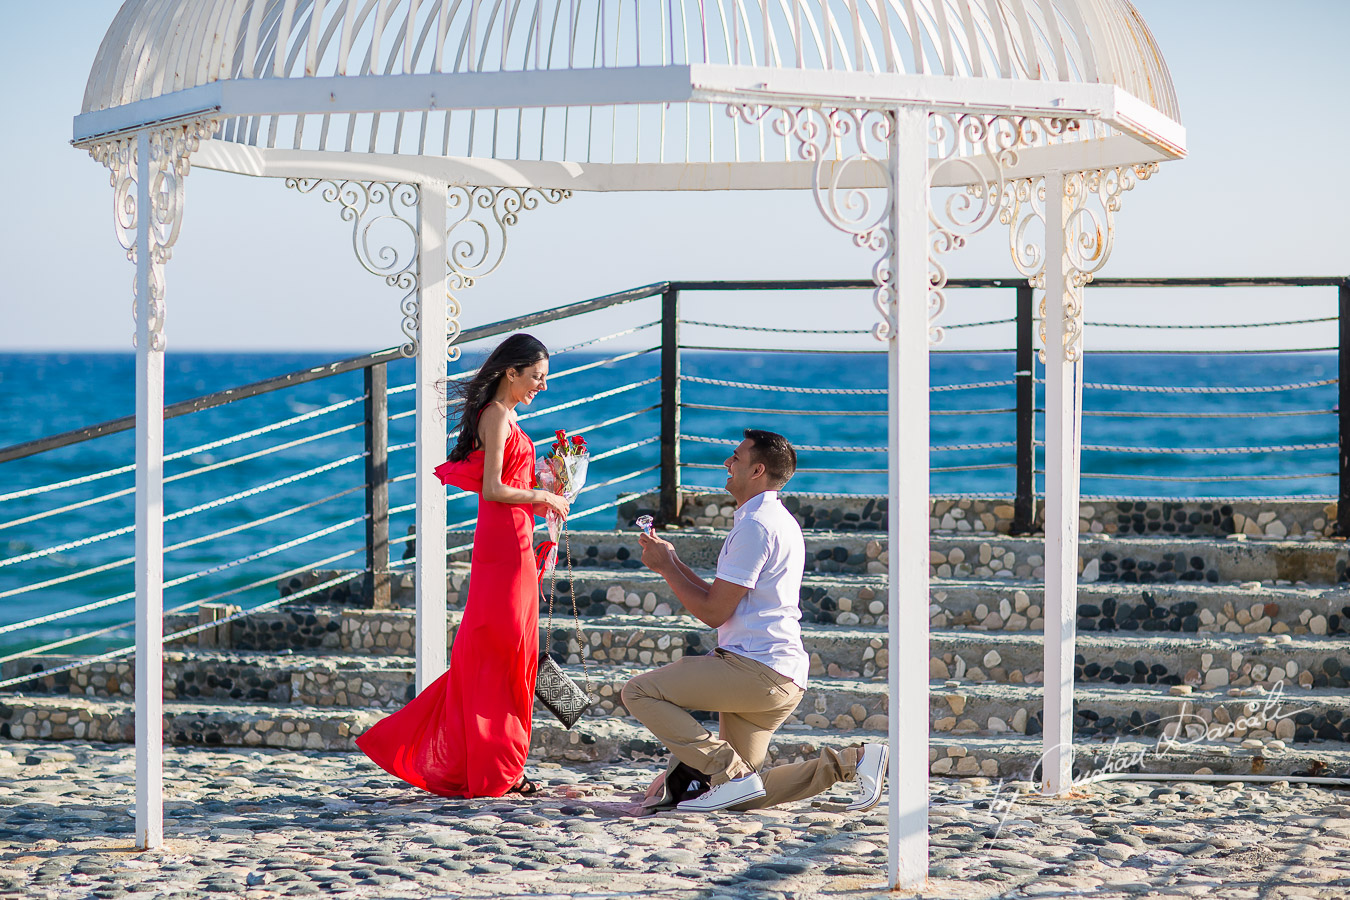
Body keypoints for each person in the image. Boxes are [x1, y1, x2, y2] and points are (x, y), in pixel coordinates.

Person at [624, 429, 887, 813]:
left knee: (638, 692)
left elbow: (713, 613)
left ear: (758, 469)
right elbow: (721, 598)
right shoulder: (772, 519)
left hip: (756, 670)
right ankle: (853, 762)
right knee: (746, 797)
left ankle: (728, 772)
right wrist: (673, 561)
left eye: (736, 458)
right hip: (779, 675)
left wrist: (666, 569)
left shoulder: (756, 526)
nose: (727, 464)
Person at [356, 333, 568, 798]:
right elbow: (493, 489)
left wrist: (550, 485)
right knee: (500, 653)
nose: (542, 386)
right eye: (537, 376)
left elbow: (509, 485)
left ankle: (500, 764)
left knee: (510, 654)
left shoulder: (508, 417)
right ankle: (495, 767)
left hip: (515, 540)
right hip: (501, 549)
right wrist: (544, 495)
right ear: (511, 372)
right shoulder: (495, 416)